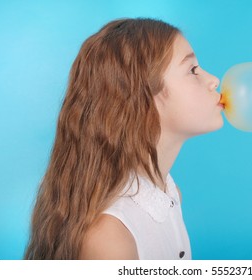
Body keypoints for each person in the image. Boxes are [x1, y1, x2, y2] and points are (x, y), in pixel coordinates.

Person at [24, 18, 223, 260]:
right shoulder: (110, 237)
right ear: (143, 97)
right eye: (192, 70)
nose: (213, 79)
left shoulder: (168, 194)